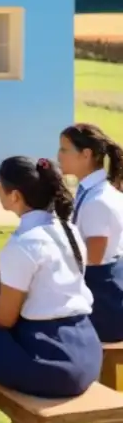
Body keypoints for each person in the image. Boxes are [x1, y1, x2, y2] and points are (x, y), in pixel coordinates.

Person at [0, 157, 102, 423]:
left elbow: (3, 320)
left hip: (51, 360)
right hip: (87, 353)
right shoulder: (69, 230)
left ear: (15, 196)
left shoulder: (23, 244)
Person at [58, 123, 123, 342]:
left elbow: (93, 257)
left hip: (105, 304)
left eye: (64, 150)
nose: (58, 156)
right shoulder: (91, 192)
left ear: (85, 154)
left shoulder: (98, 201)